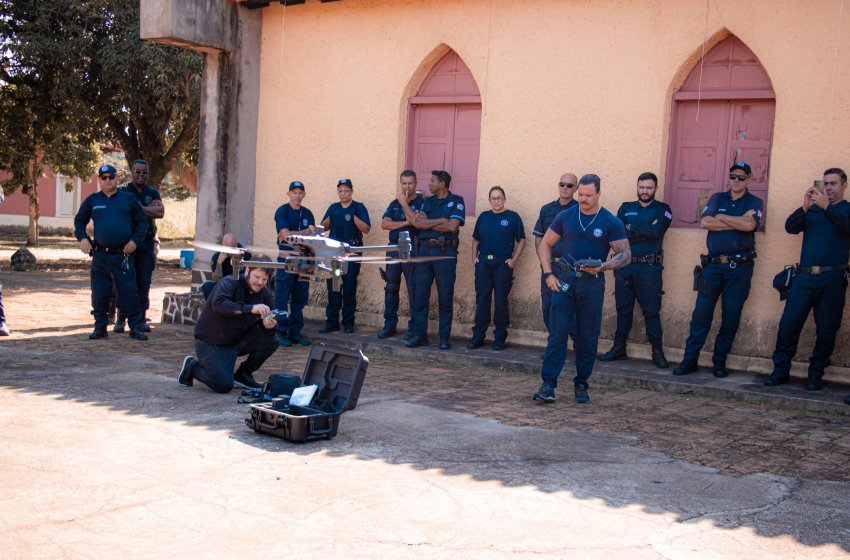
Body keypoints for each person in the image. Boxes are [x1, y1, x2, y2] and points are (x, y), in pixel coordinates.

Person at [533, 174, 630, 404]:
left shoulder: (609, 221)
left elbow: (625, 254)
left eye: (588, 195)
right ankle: (548, 385)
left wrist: (604, 266)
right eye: (581, 194)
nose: (583, 199)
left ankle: (582, 383)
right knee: (557, 335)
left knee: (587, 337)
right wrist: (548, 274)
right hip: (565, 280)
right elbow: (545, 244)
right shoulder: (566, 216)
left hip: (592, 284)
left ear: (598, 193)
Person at [674, 162, 764, 378]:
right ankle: (690, 360)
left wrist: (721, 217)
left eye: (741, 177)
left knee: (730, 317)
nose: (736, 181)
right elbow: (705, 222)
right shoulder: (717, 198)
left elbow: (750, 226)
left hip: (739, 268)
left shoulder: (755, 201)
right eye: (733, 176)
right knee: (701, 315)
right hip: (713, 267)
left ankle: (719, 362)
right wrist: (736, 220)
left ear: (749, 179)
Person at [764, 168, 849, 391]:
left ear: (844, 186)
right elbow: (790, 227)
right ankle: (780, 371)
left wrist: (826, 207)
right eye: (826, 183)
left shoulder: (845, 210)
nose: (829, 187)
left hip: (832, 278)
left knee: (827, 329)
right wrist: (804, 207)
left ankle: (815, 375)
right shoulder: (812, 210)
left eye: (833, 183)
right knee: (789, 325)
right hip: (804, 277)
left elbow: (846, 226)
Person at [599, 172, 672, 368]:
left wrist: (630, 231)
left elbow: (655, 232)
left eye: (649, 188)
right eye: (642, 187)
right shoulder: (626, 208)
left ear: (656, 189)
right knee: (623, 309)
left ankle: (657, 351)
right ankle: (618, 348)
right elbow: (616, 232)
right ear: (637, 187)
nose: (645, 191)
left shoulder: (663, 210)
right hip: (624, 266)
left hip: (649, 268)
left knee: (651, 311)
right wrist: (640, 231)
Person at [178, 260, 278, 393]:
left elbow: (268, 328)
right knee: (223, 385)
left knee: (273, 340)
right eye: (257, 277)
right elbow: (219, 305)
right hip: (211, 341)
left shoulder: (265, 294)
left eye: (264, 279)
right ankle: (192, 366)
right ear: (247, 270)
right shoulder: (229, 282)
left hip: (237, 340)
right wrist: (250, 308)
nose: (260, 282)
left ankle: (243, 374)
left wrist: (269, 326)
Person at [74, 164, 149, 340]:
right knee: (100, 292)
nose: (108, 180)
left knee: (129, 292)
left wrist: (134, 241)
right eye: (104, 177)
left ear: (117, 178)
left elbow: (142, 223)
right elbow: (79, 221)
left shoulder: (129, 199)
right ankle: (100, 327)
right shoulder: (92, 200)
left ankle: (135, 328)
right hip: (100, 255)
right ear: (99, 179)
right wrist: (82, 238)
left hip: (123, 254)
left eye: (111, 177)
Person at [406, 170, 466, 350]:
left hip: (444, 252)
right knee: (420, 295)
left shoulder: (457, 200)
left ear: (442, 184)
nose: (428, 184)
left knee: (445, 296)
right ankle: (419, 335)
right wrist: (441, 220)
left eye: (432, 181)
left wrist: (432, 223)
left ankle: (444, 338)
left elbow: (453, 226)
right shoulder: (427, 202)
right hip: (424, 251)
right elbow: (418, 224)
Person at [468, 186, 526, 351]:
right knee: (482, 300)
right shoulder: (484, 217)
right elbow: (475, 240)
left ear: (504, 199)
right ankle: (478, 336)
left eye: (499, 197)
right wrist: (474, 258)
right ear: (489, 200)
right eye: (493, 198)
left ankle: (499, 338)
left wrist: (514, 260)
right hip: (484, 264)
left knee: (501, 301)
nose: (496, 201)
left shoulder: (512, 217)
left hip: (502, 264)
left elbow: (522, 240)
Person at [114, 160, 163, 333]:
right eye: (138, 172)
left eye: (144, 172)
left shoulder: (152, 192)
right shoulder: (123, 191)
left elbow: (160, 212)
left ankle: (141, 318)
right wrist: (147, 209)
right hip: (127, 243)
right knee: (125, 281)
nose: (141, 175)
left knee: (144, 281)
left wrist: (137, 207)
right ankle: (121, 318)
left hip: (146, 242)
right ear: (132, 172)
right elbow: (120, 211)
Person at [320, 179, 371, 333]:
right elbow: (323, 226)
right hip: (334, 255)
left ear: (352, 191)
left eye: (346, 191)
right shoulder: (333, 208)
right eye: (340, 191)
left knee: (349, 287)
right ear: (338, 192)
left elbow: (367, 228)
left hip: (351, 253)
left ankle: (348, 323)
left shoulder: (358, 207)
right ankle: (332, 322)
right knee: (334, 287)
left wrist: (352, 216)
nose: (343, 194)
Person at [378, 170, 424, 339]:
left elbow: (417, 223)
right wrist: (405, 221)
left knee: (413, 289)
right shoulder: (393, 203)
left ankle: (413, 330)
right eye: (404, 183)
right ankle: (389, 326)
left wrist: (405, 205)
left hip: (412, 249)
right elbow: (384, 224)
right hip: (393, 249)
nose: (407, 186)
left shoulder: (422, 203)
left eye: (410, 183)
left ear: (416, 183)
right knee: (390, 288)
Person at [533, 173, 578, 332]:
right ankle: (555, 344)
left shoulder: (579, 210)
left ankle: (577, 346)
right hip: (550, 268)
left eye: (569, 185)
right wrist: (544, 262)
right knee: (548, 306)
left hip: (569, 270)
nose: (565, 188)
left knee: (568, 307)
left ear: (576, 188)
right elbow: (539, 238)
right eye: (562, 184)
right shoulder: (547, 209)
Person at [274, 180, 316, 346]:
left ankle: (295, 332)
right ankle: (280, 331)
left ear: (304, 194)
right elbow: (285, 236)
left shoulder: (307, 213)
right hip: (286, 259)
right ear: (289, 194)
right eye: (294, 192)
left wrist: (297, 235)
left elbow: (313, 238)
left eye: (300, 193)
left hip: (304, 260)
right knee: (282, 296)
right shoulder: (282, 211)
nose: (297, 196)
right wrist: (307, 232)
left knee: (300, 297)